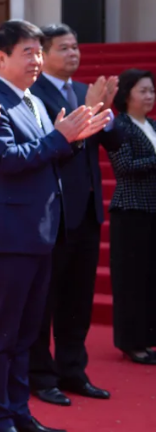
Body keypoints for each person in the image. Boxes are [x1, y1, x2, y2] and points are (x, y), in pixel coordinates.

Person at [0, 20, 110, 433]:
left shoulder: (31, 101)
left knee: (25, 335)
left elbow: (49, 155)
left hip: (40, 234)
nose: (36, 60)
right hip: (8, 237)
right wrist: (60, 137)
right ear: (1, 58)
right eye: (27, 53)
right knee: (3, 337)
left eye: (38, 52)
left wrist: (76, 136)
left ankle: (19, 413)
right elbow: (6, 160)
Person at [27, 24, 123, 405]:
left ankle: (72, 369)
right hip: (51, 211)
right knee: (44, 299)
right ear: (44, 54)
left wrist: (105, 112)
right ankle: (40, 375)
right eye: (64, 48)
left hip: (85, 211)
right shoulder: (34, 94)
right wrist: (90, 110)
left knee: (78, 298)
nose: (73, 54)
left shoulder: (86, 91)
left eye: (75, 47)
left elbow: (114, 141)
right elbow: (51, 147)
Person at [106, 69, 156, 365]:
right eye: (143, 91)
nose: (150, 96)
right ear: (126, 95)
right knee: (132, 280)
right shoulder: (120, 125)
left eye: (152, 90)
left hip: (152, 210)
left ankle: (147, 338)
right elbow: (123, 165)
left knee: (150, 278)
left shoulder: (152, 125)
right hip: (131, 210)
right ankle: (131, 342)